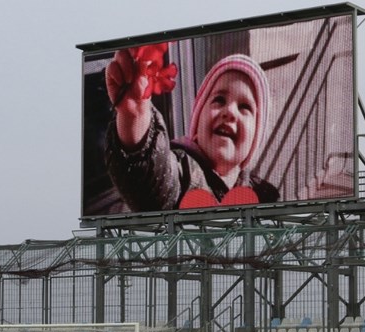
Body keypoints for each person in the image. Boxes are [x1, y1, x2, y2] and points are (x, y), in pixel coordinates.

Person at [104, 47, 279, 212]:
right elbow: (152, 177)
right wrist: (135, 114)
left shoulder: (263, 196)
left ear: (255, 138)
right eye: (219, 100)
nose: (229, 112)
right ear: (197, 121)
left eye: (244, 107)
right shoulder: (183, 170)